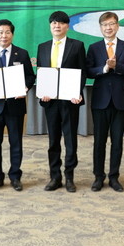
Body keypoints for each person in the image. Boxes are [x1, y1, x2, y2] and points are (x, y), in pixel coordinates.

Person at [0, 19, 36, 191]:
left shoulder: (22, 54)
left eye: (7, 32)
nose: (4, 35)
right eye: (1, 32)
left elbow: (30, 76)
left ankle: (15, 177)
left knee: (16, 143)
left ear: (12, 34)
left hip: (15, 106)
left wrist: (25, 88)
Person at [86, 11, 124, 192]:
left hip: (120, 100)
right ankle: (98, 177)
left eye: (111, 24)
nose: (108, 28)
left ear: (117, 26)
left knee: (117, 141)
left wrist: (117, 67)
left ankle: (114, 177)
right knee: (99, 141)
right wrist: (104, 68)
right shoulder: (94, 48)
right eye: (105, 25)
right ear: (101, 28)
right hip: (100, 100)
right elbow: (88, 71)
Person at [36, 11, 86, 193]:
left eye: (61, 23)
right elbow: (41, 72)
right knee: (53, 140)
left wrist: (77, 92)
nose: (57, 26)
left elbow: (82, 71)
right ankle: (55, 177)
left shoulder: (77, 45)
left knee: (70, 140)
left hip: (69, 101)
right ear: (50, 26)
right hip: (50, 102)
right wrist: (43, 92)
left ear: (67, 26)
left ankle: (70, 177)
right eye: (54, 23)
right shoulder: (42, 47)